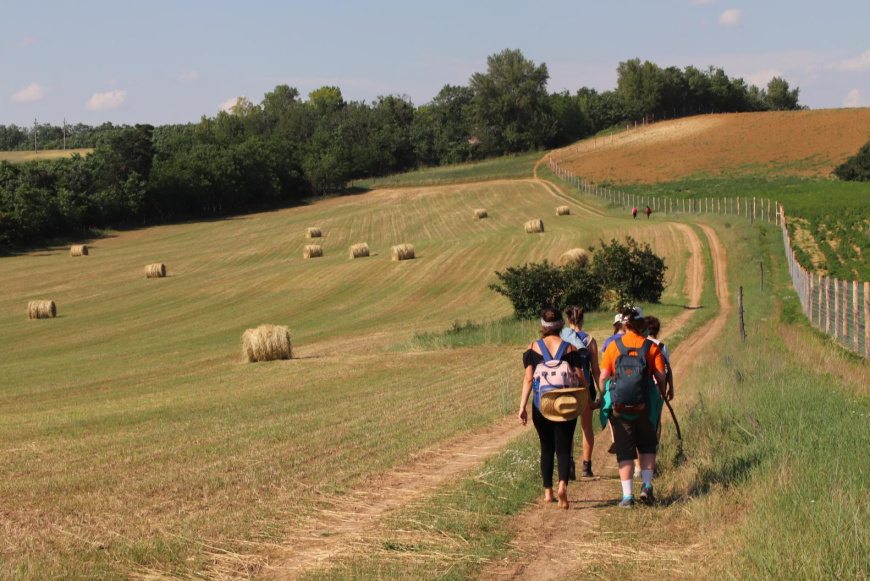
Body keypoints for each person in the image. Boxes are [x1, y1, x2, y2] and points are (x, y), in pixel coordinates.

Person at [519, 307, 590, 509]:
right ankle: (562, 487)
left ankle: (548, 492)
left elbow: (527, 379)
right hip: (565, 405)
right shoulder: (570, 349)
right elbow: (582, 379)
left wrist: (523, 406)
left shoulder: (533, 348)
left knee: (546, 447)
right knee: (564, 448)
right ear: (561, 326)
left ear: (543, 326)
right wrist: (588, 400)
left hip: (541, 405)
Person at [599, 306, 667, 508]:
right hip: (645, 405)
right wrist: (662, 393)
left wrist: (601, 396)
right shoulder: (652, 347)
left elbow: (603, 378)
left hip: (620, 406)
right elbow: (661, 377)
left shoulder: (613, 347)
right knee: (647, 445)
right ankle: (646, 485)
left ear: (625, 324)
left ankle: (627, 497)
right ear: (642, 325)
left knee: (625, 450)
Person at [561, 306, 601, 477]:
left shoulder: (560, 339)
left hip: (567, 387)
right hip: (586, 387)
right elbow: (596, 370)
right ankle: (587, 466)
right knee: (587, 427)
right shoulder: (590, 340)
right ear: (583, 320)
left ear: (568, 320)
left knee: (567, 427)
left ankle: (569, 464)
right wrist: (602, 391)